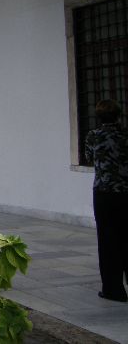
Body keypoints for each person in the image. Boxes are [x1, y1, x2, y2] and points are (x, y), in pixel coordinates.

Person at [85, 99, 128, 302]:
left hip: (104, 193)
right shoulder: (125, 135)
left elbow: (89, 158)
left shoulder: (93, 135)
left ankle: (113, 289)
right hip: (126, 191)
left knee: (108, 240)